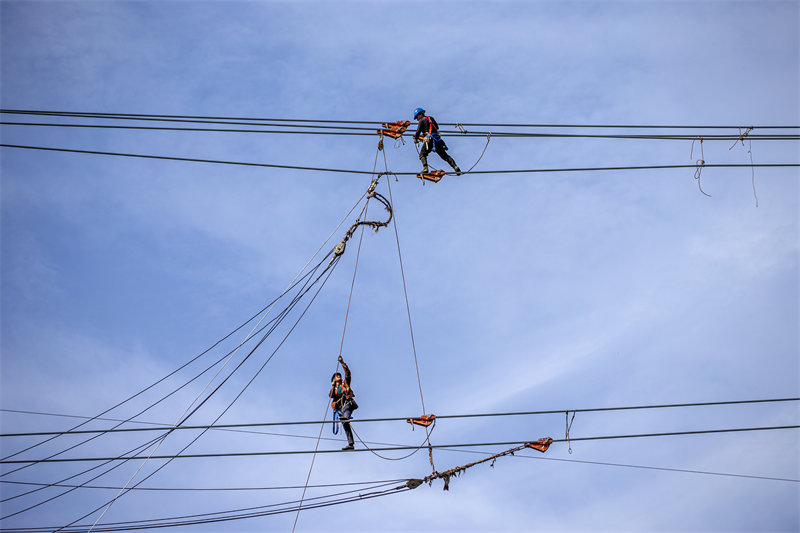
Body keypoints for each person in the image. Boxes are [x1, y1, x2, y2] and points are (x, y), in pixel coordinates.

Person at [413, 107, 461, 176]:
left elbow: (418, 132)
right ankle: (455, 167)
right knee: (445, 156)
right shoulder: (431, 118)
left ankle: (425, 168)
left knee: (422, 154)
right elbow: (437, 127)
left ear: (420, 115)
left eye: (417, 117)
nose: (417, 120)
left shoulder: (421, 121)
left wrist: (416, 139)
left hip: (430, 140)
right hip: (437, 139)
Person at [329, 355, 358, 450]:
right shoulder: (333, 389)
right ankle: (351, 444)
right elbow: (331, 395)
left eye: (339, 376)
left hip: (347, 403)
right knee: (345, 424)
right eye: (337, 376)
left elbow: (348, 374)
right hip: (340, 409)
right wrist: (333, 386)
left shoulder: (345, 384)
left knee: (345, 417)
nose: (339, 377)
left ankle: (345, 417)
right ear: (333, 380)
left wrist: (342, 363)